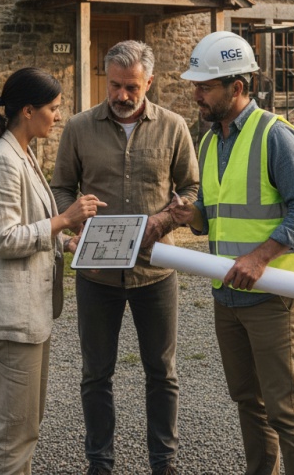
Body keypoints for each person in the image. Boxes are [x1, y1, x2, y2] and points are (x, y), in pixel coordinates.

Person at [170, 31, 294, 475]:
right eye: (195, 85)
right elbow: (215, 217)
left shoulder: (276, 136)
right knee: (247, 402)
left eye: (205, 86)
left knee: (286, 410)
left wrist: (260, 257)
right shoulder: (210, 141)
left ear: (237, 87)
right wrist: (190, 216)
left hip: (273, 294)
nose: (195, 94)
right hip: (228, 295)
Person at [51, 40, 199, 475]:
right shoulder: (78, 127)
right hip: (96, 273)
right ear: (106, 79)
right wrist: (72, 222)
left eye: (131, 87)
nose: (121, 95)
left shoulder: (173, 127)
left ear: (149, 82)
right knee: (96, 374)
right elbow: (61, 187)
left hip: (156, 273)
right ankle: (100, 463)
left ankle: (164, 463)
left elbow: (192, 189)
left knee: (162, 373)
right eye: (114, 85)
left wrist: (165, 220)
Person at [0, 67, 106, 475]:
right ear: (27, 110)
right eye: (53, 108)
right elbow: (5, 240)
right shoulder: (1, 162)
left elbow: (27, 225)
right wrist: (66, 219)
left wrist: (63, 241)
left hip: (29, 315)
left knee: (25, 428)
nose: (58, 116)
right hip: (11, 318)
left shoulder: (23, 152)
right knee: (12, 435)